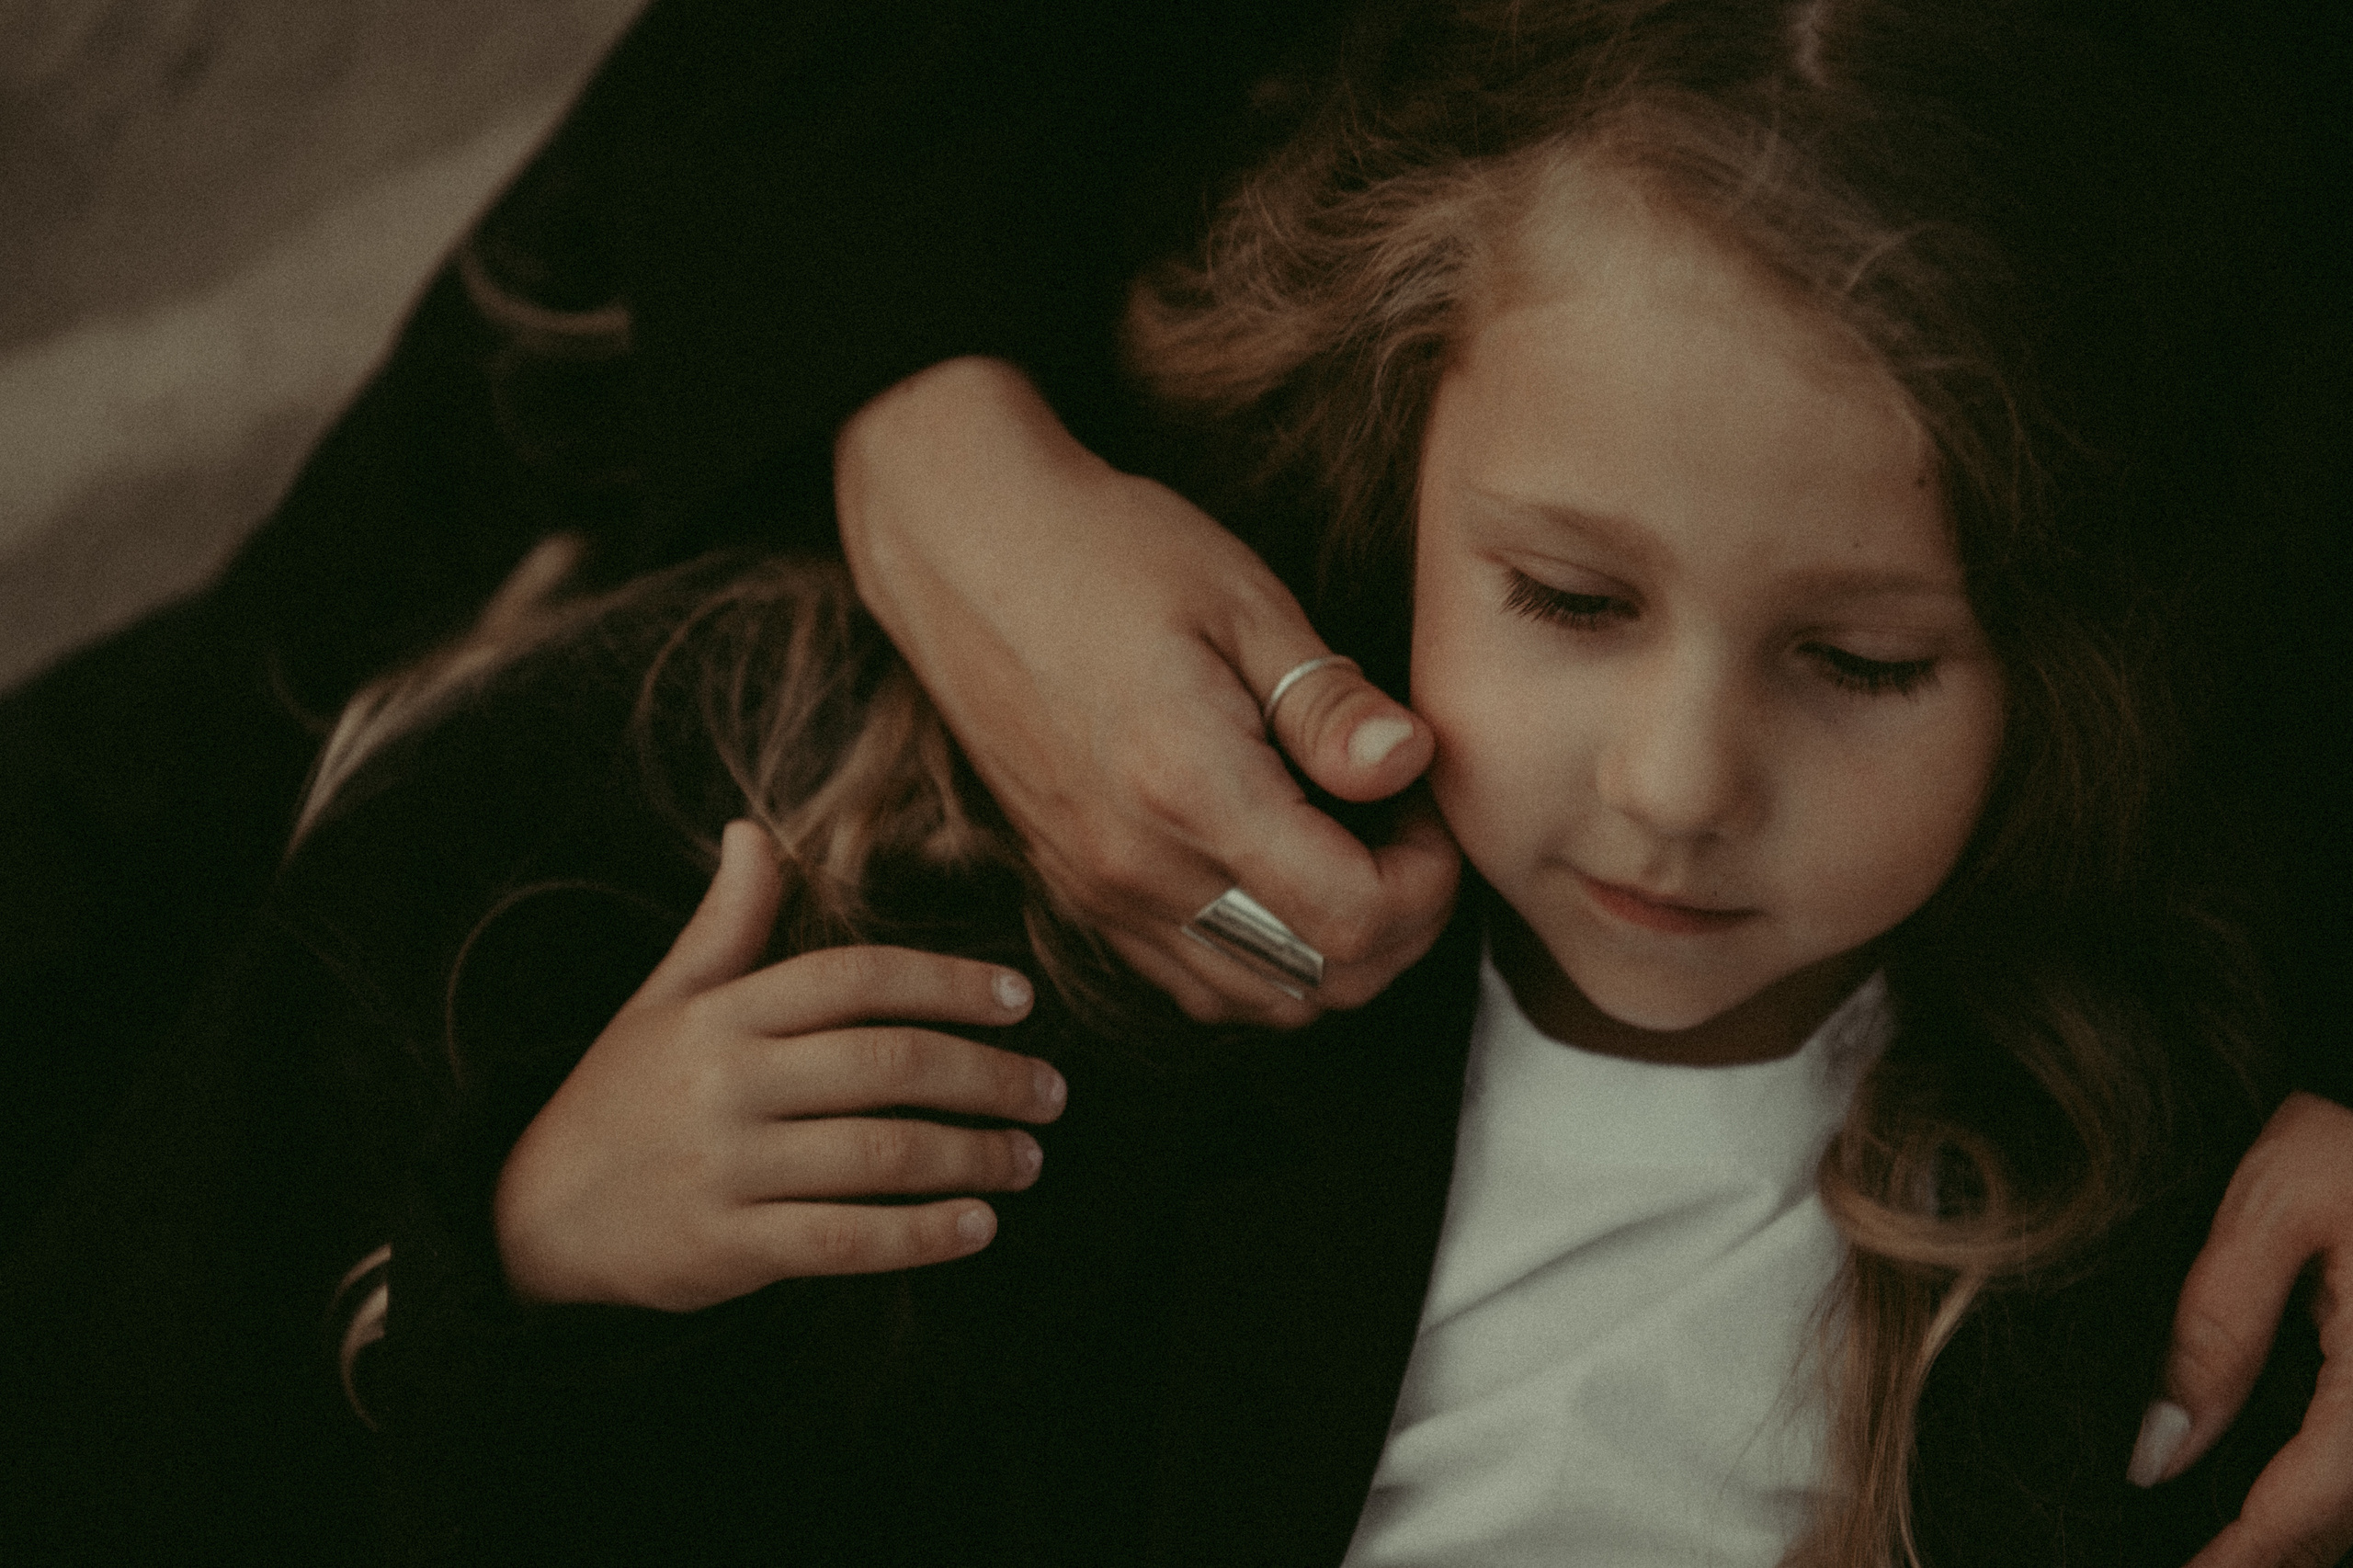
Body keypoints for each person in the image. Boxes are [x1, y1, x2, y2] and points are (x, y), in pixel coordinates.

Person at [2, 0, 2348, 1562]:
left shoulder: (2139, 1186)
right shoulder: (984, 1005)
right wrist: (537, 1271)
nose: (1672, 786)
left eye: (1856, 657)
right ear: (1394, 459)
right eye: (1567, 601)